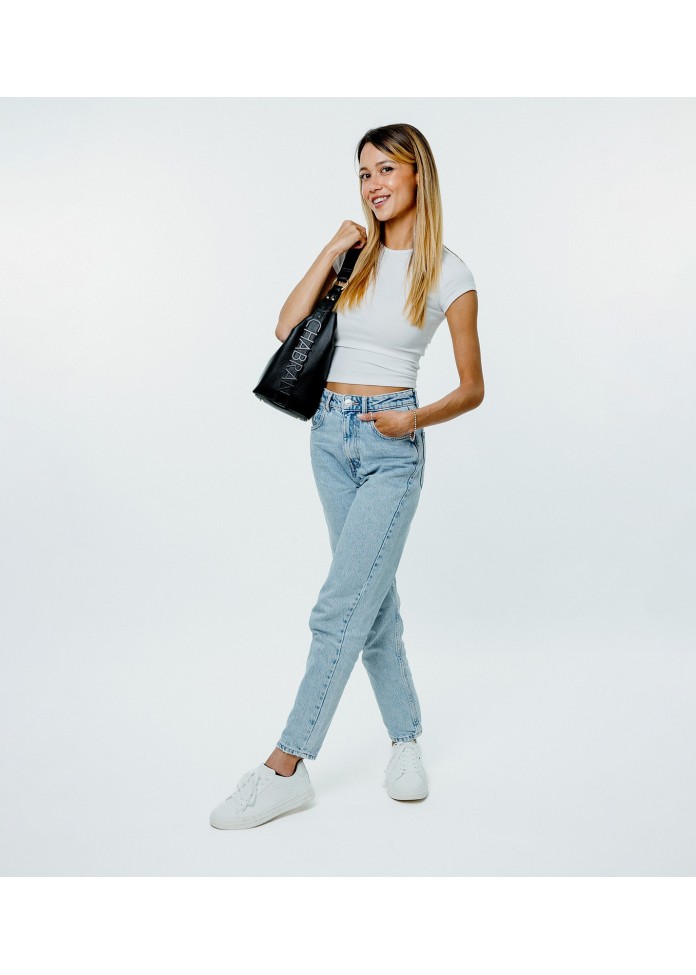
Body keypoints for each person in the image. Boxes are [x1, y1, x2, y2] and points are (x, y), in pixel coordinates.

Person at [210, 123, 483, 830]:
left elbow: (473, 387)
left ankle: (286, 766)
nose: (373, 184)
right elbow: (286, 327)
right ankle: (406, 741)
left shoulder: (449, 273)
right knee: (372, 603)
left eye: (386, 169)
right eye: (364, 173)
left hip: (392, 445)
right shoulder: (354, 258)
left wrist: (413, 418)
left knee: (339, 607)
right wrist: (332, 246)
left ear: (418, 174)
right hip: (329, 437)